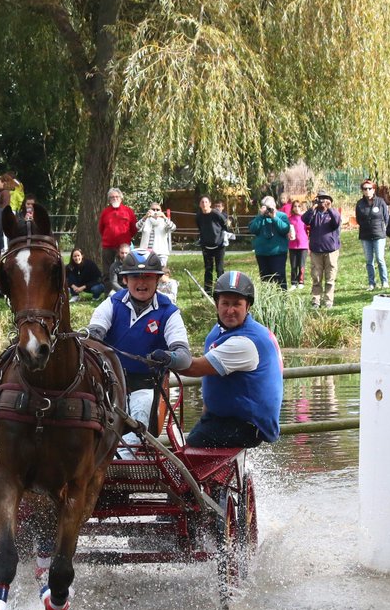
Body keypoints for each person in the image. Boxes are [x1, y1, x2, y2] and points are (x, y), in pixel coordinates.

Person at [150, 271, 282, 448]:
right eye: (225, 303)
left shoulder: (246, 342)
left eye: (237, 304)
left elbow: (195, 369)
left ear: (248, 306)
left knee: (185, 460)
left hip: (245, 426)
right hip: (223, 419)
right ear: (216, 304)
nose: (230, 310)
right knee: (184, 450)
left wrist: (167, 358)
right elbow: (212, 379)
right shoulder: (221, 331)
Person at [86, 250, 189, 449]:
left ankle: (128, 459)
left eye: (148, 276)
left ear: (158, 279)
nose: (141, 282)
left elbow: (184, 357)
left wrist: (168, 356)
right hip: (109, 386)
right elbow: (94, 331)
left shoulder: (169, 312)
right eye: (135, 276)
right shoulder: (111, 303)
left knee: (139, 416)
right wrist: (95, 335)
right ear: (125, 279)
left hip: (147, 387)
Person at [301, 190, 341, 309]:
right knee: (316, 277)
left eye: (325, 198)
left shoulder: (333, 213)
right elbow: (304, 220)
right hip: (316, 251)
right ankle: (316, 301)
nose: (322, 201)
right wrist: (312, 208)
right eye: (320, 198)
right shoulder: (314, 214)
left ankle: (328, 300)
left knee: (330, 277)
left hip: (331, 251)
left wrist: (329, 208)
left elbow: (337, 222)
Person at [248, 195, 289, 289]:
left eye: (270, 207)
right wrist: (260, 216)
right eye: (266, 207)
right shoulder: (259, 217)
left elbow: (285, 229)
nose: (268, 210)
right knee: (265, 279)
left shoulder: (281, 216)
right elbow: (253, 229)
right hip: (262, 253)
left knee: (279, 278)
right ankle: (268, 300)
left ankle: (282, 300)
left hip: (278, 253)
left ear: (274, 206)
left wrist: (274, 217)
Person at [355, 180, 389, 291]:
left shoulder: (380, 202)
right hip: (365, 236)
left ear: (374, 189)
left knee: (380, 258)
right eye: (365, 189)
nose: (367, 191)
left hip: (379, 235)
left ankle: (385, 281)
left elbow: (386, 218)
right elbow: (359, 219)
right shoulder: (359, 204)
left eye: (369, 188)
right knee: (369, 260)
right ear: (362, 191)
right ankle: (371, 283)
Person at [196, 195, 231, 293]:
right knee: (208, 269)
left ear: (210, 204)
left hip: (219, 245)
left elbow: (225, 225)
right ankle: (207, 290)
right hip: (206, 246)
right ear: (200, 204)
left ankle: (221, 289)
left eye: (206, 202)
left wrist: (221, 237)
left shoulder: (216, 214)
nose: (204, 204)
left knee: (219, 269)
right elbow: (199, 227)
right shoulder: (199, 216)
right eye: (202, 202)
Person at [98, 187, 137, 270]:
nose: (115, 198)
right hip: (108, 247)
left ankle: (124, 283)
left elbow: (134, 228)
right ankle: (108, 283)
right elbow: (101, 228)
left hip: (124, 247)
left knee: (126, 268)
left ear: (121, 198)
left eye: (117, 196)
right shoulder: (105, 212)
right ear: (109, 199)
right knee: (107, 270)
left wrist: (126, 239)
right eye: (112, 197)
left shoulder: (128, 211)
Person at [284, 197, 309, 290]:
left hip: (303, 245)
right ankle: (293, 282)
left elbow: (309, 229)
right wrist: (288, 234)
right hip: (292, 245)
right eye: (295, 206)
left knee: (301, 264)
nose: (297, 208)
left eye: (299, 206)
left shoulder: (304, 218)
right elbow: (286, 229)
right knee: (293, 265)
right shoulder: (289, 219)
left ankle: (301, 281)